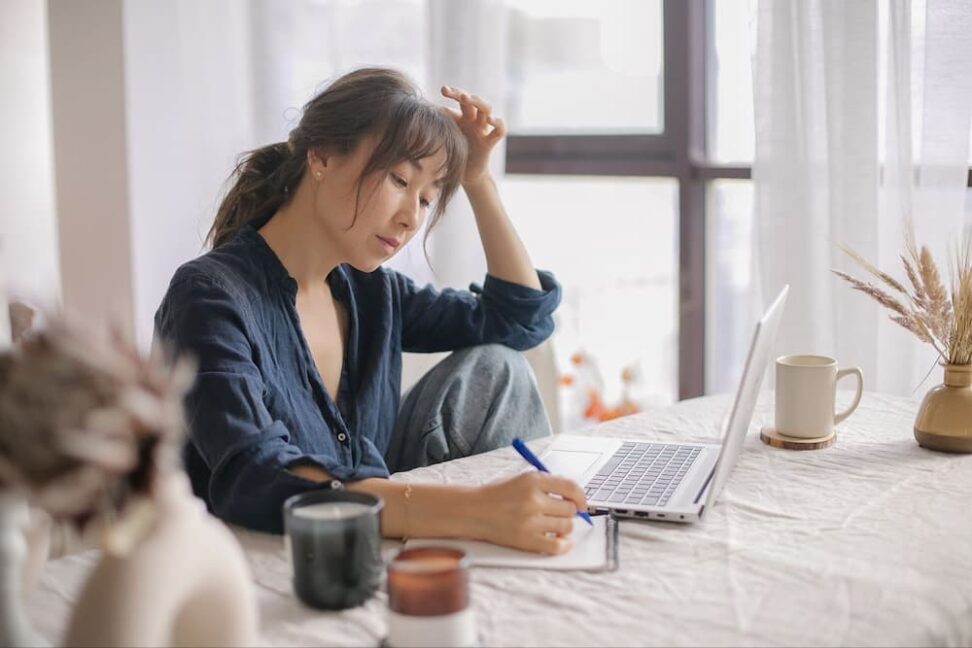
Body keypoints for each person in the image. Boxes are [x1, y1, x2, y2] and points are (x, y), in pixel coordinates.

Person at [154, 67, 587, 555]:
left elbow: (518, 318)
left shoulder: (372, 292)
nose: (410, 217)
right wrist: (473, 510)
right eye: (400, 180)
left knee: (498, 368)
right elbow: (257, 476)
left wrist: (477, 179)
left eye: (426, 198)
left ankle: (521, 541)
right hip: (264, 552)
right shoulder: (210, 296)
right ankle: (491, 534)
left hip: (377, 515)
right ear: (320, 156)